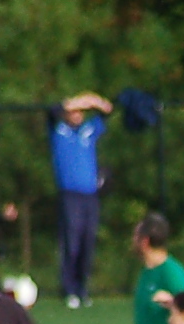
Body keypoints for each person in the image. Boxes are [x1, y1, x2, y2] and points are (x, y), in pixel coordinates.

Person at [48, 94, 112, 308]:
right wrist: (80, 101)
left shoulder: (88, 131)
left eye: (81, 112)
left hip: (90, 196)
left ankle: (83, 289)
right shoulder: (59, 130)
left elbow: (107, 110)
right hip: (70, 196)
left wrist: (94, 100)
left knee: (87, 241)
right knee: (71, 241)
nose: (78, 114)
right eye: (74, 111)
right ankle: (69, 290)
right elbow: (53, 109)